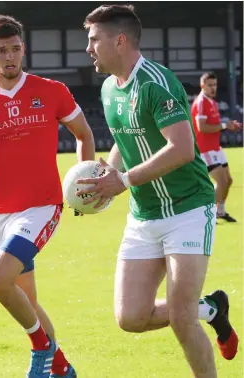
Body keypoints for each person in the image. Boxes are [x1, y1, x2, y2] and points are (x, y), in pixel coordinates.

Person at [76, 4, 238, 377]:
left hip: (188, 210)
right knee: (130, 317)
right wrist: (105, 175)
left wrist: (125, 180)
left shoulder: (155, 82)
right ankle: (211, 308)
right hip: (144, 215)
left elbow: (181, 148)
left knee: (182, 319)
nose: (88, 48)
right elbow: (123, 141)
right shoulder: (107, 89)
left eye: (93, 39)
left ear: (119, 41)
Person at [0, 15, 95, 378]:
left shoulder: (52, 91)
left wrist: (84, 180)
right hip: (1, 213)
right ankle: (61, 369)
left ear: (23, 49)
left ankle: (42, 351)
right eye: (1, 51)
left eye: (14, 49)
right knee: (27, 301)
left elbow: (84, 135)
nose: (9, 57)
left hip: (43, 204)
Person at [191, 72, 242, 222]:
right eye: (210, 85)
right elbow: (202, 127)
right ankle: (207, 215)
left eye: (215, 85)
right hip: (205, 149)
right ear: (202, 86)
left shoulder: (211, 101)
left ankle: (220, 211)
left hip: (216, 148)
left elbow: (214, 125)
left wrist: (228, 125)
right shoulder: (201, 102)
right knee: (221, 182)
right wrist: (226, 125)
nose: (213, 88)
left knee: (229, 180)